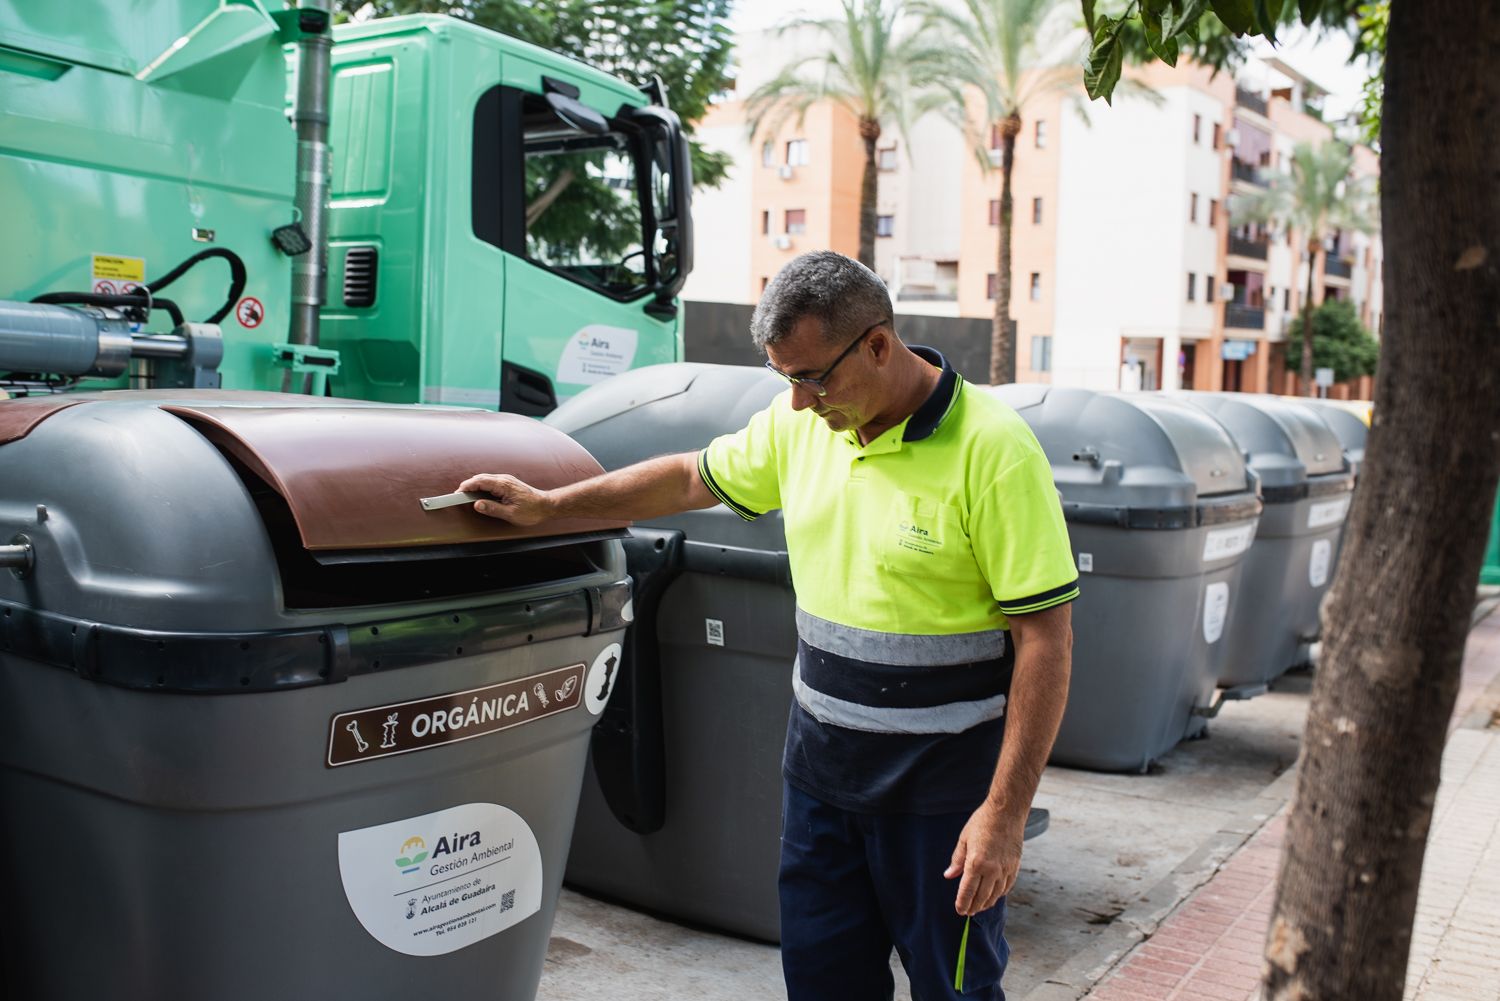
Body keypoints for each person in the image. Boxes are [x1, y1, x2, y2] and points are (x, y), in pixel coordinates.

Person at [458, 251, 1076, 1000]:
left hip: (940, 801)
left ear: (878, 345)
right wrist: (552, 506)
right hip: (821, 779)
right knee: (821, 982)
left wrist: (1004, 815)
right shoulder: (803, 428)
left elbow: (1044, 638)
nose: (799, 403)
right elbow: (690, 476)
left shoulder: (995, 450)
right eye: (786, 379)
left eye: (812, 376)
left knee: (955, 989)